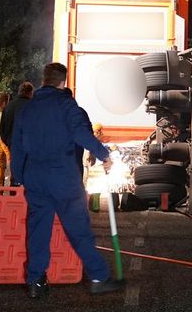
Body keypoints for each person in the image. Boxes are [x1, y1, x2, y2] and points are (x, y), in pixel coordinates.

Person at [11, 63, 124, 298]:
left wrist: (19, 176)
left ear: (43, 80)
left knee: (38, 229)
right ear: (63, 82)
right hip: (62, 175)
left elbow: (18, 146)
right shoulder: (65, 104)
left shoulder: (27, 109)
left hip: (35, 176)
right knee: (78, 228)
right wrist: (104, 154)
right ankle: (98, 276)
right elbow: (81, 133)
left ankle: (35, 281)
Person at [0, 81, 34, 184]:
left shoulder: (8, 107)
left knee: (15, 175)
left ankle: (13, 195)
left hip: (13, 147)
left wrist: (9, 143)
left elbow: (2, 130)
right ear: (30, 93)